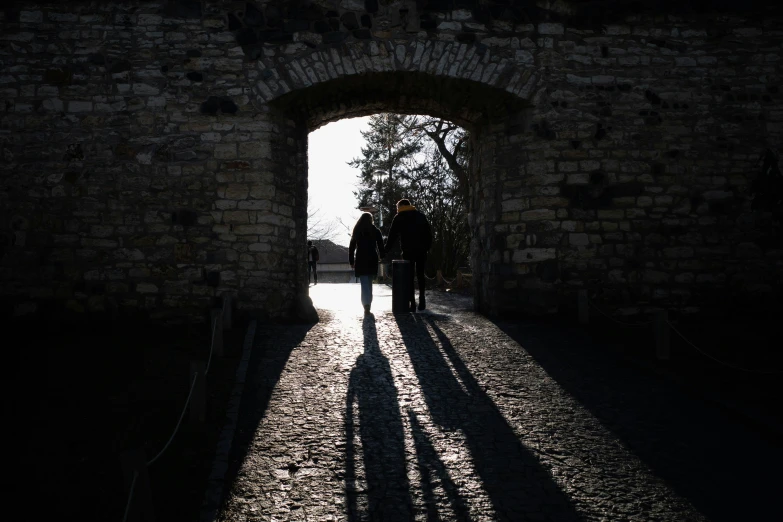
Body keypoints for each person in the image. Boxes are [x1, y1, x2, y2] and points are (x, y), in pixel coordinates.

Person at [384, 199, 432, 312]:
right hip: (421, 250)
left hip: (408, 251)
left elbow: (392, 236)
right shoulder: (420, 215)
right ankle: (422, 299)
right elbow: (428, 234)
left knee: (409, 277)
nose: (397, 210)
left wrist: (385, 250)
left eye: (398, 207)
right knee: (420, 275)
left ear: (401, 206)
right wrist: (427, 247)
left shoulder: (399, 217)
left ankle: (412, 303)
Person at [348, 212, 385, 314]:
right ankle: (368, 303)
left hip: (361, 258)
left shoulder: (357, 230)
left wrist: (351, 261)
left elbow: (351, 248)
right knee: (369, 282)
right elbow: (380, 245)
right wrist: (382, 256)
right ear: (371, 219)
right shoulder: (375, 230)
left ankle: (366, 304)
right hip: (372, 257)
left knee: (364, 283)